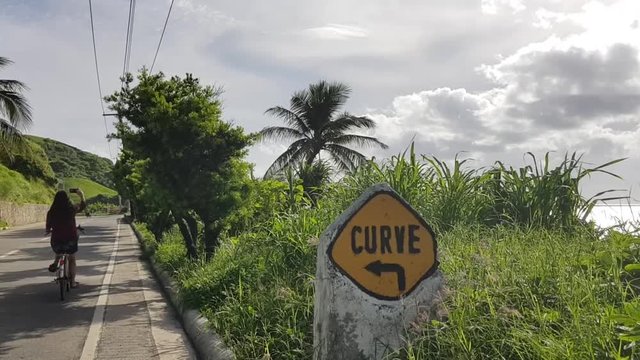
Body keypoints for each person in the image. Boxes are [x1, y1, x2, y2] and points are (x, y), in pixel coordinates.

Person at [46, 188, 86, 288]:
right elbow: (82, 206)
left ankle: (56, 262)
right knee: (72, 259)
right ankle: (72, 282)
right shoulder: (71, 209)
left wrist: (49, 230)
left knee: (58, 249)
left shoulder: (51, 212)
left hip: (56, 241)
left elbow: (48, 227)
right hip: (70, 240)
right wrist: (81, 195)